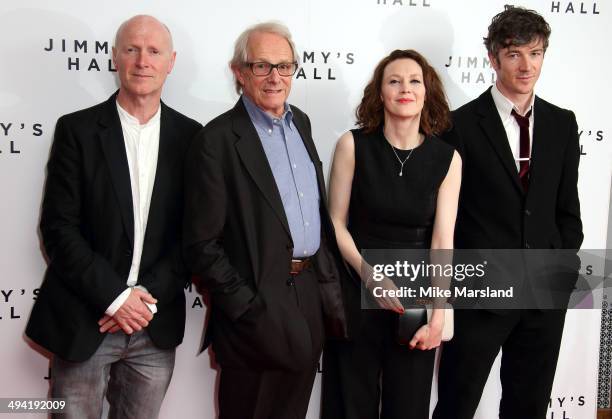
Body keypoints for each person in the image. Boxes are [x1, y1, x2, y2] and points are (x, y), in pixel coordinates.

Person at [25, 15, 202, 419]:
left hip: (154, 325)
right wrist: (116, 297)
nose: (143, 61)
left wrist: (142, 302)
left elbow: (194, 235)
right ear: (115, 58)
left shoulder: (193, 138)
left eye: (154, 51)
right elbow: (58, 229)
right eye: (132, 49)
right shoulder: (77, 130)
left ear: (170, 62)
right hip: (86, 318)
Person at [183, 21, 350, 419]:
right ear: (239, 72)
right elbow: (201, 243)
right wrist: (246, 306)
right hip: (255, 304)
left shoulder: (302, 124)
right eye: (261, 66)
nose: (275, 77)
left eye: (285, 66)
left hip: (308, 297)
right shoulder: (217, 139)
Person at [433, 6, 583, 419]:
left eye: (535, 54)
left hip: (543, 296)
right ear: (494, 58)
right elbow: (446, 216)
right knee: (456, 404)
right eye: (515, 54)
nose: (526, 65)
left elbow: (568, 210)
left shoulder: (562, 123)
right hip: (480, 294)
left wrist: (563, 265)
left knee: (528, 407)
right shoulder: (457, 126)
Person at [321, 49, 461, 419]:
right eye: (394, 80)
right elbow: (336, 223)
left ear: (426, 92)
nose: (405, 88)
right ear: (379, 92)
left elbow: (442, 242)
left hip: (414, 301)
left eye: (414, 81)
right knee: (350, 405)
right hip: (356, 291)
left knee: (409, 407)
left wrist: (438, 314)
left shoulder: (448, 159)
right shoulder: (352, 145)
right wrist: (368, 274)